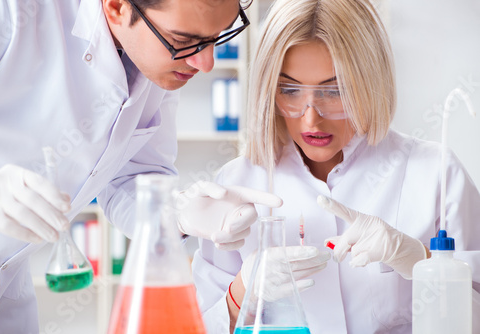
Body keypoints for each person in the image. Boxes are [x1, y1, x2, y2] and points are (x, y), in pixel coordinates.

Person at [0, 0, 282, 333]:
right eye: (184, 41)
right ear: (116, 7)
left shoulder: (158, 63)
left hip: (2, 290)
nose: (205, 63)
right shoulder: (6, 9)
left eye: (216, 37)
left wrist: (176, 214)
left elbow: (130, 177)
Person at [192, 0, 480, 333]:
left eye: (334, 90)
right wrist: (242, 290)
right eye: (289, 89)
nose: (311, 117)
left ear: (370, 83)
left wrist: (425, 264)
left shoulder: (436, 175)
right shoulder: (236, 183)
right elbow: (196, 325)